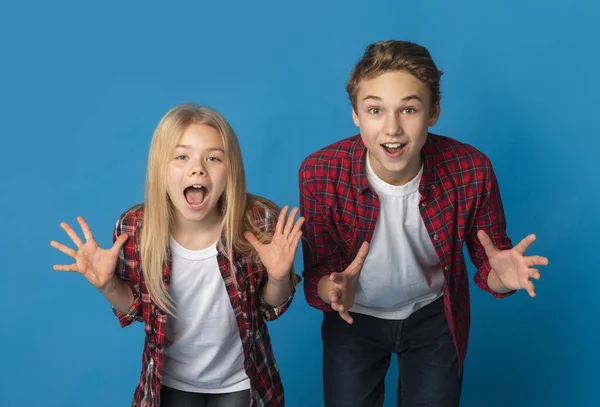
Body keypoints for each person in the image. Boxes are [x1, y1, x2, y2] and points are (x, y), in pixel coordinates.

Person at [298, 40, 549, 407]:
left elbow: (489, 263)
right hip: (354, 319)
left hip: (433, 316)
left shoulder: (471, 169)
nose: (393, 129)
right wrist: (331, 289)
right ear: (355, 114)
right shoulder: (320, 172)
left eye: (409, 109)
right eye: (375, 110)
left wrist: (503, 279)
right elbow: (318, 270)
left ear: (433, 112)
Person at [51, 103, 304, 407]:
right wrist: (108, 285)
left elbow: (269, 306)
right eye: (182, 157)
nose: (197, 168)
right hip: (168, 384)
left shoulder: (259, 222)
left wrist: (279, 279)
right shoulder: (135, 229)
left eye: (213, 158)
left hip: (243, 382)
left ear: (231, 170)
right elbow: (136, 309)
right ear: (161, 167)